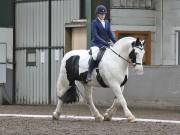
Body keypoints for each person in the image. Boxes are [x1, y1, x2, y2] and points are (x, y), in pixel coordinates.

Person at [86, 5, 117, 82]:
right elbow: (95, 36)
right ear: (97, 14)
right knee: (95, 56)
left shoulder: (106, 22)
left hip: (105, 44)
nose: (103, 15)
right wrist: (105, 42)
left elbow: (110, 34)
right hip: (96, 44)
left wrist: (116, 42)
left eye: (104, 14)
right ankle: (89, 74)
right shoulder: (94, 22)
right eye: (101, 14)